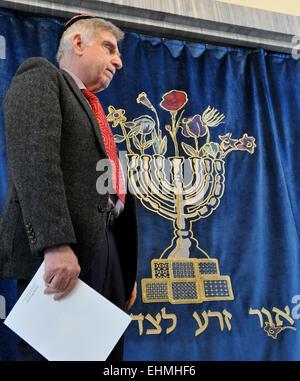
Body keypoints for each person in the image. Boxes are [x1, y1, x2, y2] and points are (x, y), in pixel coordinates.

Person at [0, 14, 138, 361]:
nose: (118, 61)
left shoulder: (97, 112)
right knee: (57, 356)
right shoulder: (42, 76)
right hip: (65, 248)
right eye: (109, 47)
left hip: (107, 252)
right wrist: (54, 244)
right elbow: (34, 159)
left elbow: (113, 191)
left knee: (106, 358)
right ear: (78, 43)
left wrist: (124, 267)